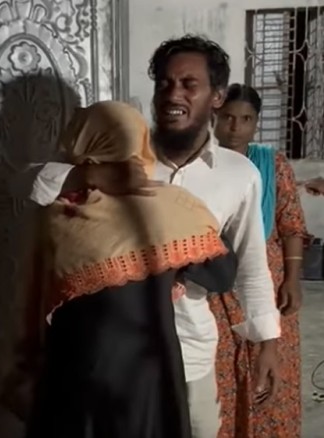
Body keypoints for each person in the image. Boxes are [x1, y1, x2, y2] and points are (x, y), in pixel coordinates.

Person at [29, 35, 281, 437]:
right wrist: (94, 175)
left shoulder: (239, 174)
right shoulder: (120, 154)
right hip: (108, 362)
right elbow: (32, 184)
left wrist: (266, 341)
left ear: (217, 97)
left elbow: (251, 263)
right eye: (164, 83)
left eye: (188, 84)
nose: (173, 94)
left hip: (191, 356)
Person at [21, 100, 238, 438]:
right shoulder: (172, 207)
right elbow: (222, 275)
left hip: (75, 366)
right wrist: (175, 263)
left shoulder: (59, 211)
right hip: (148, 369)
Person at [213, 83, 308, 437]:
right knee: (224, 367)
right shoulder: (202, 164)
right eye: (228, 117)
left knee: (271, 364)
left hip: (269, 281)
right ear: (215, 118)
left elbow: (291, 225)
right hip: (217, 285)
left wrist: (292, 279)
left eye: (246, 119)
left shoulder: (272, 165)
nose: (236, 127)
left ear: (256, 123)